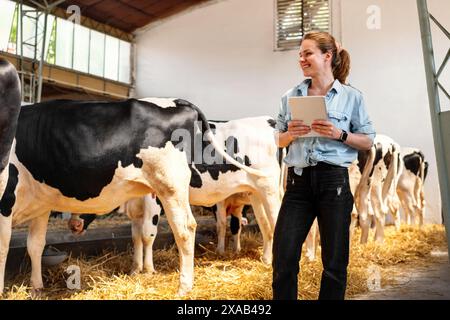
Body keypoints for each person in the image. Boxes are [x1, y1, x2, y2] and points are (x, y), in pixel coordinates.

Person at [272, 31, 376, 300]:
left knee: (334, 263)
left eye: (308, 53)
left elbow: (367, 141)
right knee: (283, 258)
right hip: (298, 183)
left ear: (327, 56)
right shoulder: (290, 96)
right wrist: (290, 133)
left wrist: (338, 134)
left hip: (334, 183)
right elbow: (279, 140)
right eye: (300, 55)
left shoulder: (352, 97)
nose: (302, 59)